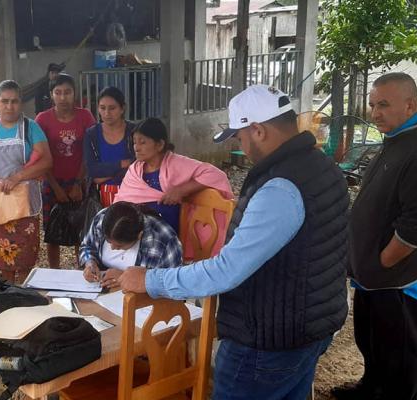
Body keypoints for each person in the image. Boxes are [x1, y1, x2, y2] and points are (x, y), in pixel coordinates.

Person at [119, 85, 350, 400]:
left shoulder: (280, 187)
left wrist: (151, 279)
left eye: (239, 137)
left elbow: (226, 271)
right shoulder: (323, 167)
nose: (239, 145)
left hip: (268, 339)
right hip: (312, 322)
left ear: (257, 130)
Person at [333, 73, 417, 400]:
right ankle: (370, 387)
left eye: (384, 104)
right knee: (372, 341)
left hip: (394, 277)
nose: (375, 112)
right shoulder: (398, 139)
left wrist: (383, 261)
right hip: (372, 273)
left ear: (410, 104)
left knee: (400, 351)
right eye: (372, 104)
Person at [0, 80, 52, 282]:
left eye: (14, 101)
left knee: (24, 256)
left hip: (22, 203)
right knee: (1, 256)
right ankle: (8, 296)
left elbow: (47, 161)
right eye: (4, 101)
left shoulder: (30, 127)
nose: (9, 106)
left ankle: (22, 295)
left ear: (21, 103)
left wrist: (17, 177)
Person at [114, 117, 232, 233]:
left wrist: (182, 190)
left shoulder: (176, 164)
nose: (136, 148)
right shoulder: (134, 170)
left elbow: (216, 175)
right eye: (135, 142)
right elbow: (120, 203)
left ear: (159, 144)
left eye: (142, 142)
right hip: (133, 234)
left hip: (165, 236)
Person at [35, 73, 96, 268]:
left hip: (80, 181)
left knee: (81, 229)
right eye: (58, 92)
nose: (63, 97)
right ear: (51, 95)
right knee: (52, 232)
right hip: (52, 181)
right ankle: (55, 273)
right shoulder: (42, 119)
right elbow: (41, 156)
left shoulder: (85, 116)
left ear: (75, 93)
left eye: (67, 92)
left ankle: (82, 271)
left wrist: (78, 183)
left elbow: (90, 152)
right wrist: (55, 187)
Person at [80, 202, 182, 288]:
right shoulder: (101, 219)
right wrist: (90, 262)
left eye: (119, 246)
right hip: (103, 295)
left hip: (142, 304)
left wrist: (128, 279)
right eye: (108, 241)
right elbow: (87, 246)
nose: (112, 248)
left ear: (139, 235)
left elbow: (172, 284)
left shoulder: (163, 240)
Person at [84, 87, 135, 207]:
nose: (107, 113)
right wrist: (121, 164)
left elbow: (138, 166)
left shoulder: (134, 131)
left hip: (133, 193)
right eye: (102, 108)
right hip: (100, 197)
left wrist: (102, 176)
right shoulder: (91, 134)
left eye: (112, 108)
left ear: (122, 108)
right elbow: (91, 170)